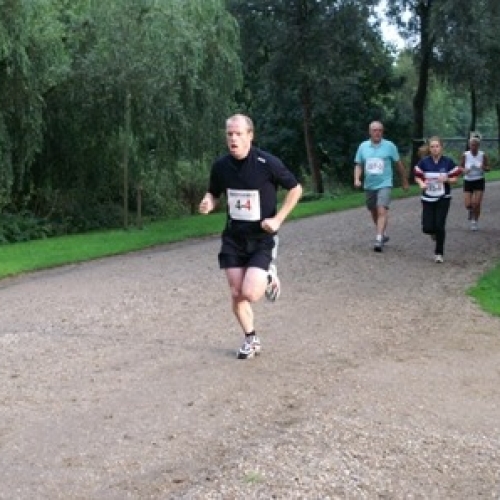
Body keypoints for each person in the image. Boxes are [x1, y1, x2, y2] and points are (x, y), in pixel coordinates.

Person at [199, 114, 303, 360]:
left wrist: (278, 219)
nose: (233, 139)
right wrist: (208, 202)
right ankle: (250, 338)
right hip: (234, 238)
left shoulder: (267, 163)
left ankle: (269, 276)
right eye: (229, 134)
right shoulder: (221, 166)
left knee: (252, 293)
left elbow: (296, 188)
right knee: (237, 292)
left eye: (238, 134)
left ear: (250, 135)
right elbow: (213, 193)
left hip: (261, 238)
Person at [354, 121, 409, 252]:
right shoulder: (363, 146)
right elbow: (359, 164)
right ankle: (382, 233)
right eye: (374, 130)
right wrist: (356, 178)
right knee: (373, 210)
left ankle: (378, 239)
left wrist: (404, 180)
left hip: (385, 183)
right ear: (370, 132)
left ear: (382, 132)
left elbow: (398, 164)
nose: (377, 133)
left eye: (379, 130)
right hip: (369, 185)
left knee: (381, 209)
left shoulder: (389, 146)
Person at [414, 136, 462, 263]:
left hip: (443, 197)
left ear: (441, 148)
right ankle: (433, 233)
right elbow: (417, 176)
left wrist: (447, 179)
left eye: (437, 146)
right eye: (432, 147)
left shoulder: (448, 162)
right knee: (427, 227)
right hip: (428, 197)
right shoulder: (424, 162)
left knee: (440, 225)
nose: (435, 149)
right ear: (429, 149)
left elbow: (455, 179)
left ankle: (439, 253)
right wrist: (421, 184)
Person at [461, 132, 490, 231]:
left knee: (477, 203)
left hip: (479, 180)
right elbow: (460, 167)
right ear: (469, 145)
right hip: (468, 180)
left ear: (478, 146)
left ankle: (474, 222)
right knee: (468, 204)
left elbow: (488, 168)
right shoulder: (465, 155)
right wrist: (464, 170)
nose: (473, 147)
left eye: (475, 145)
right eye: (471, 145)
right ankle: (471, 210)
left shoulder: (483, 155)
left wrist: (483, 167)